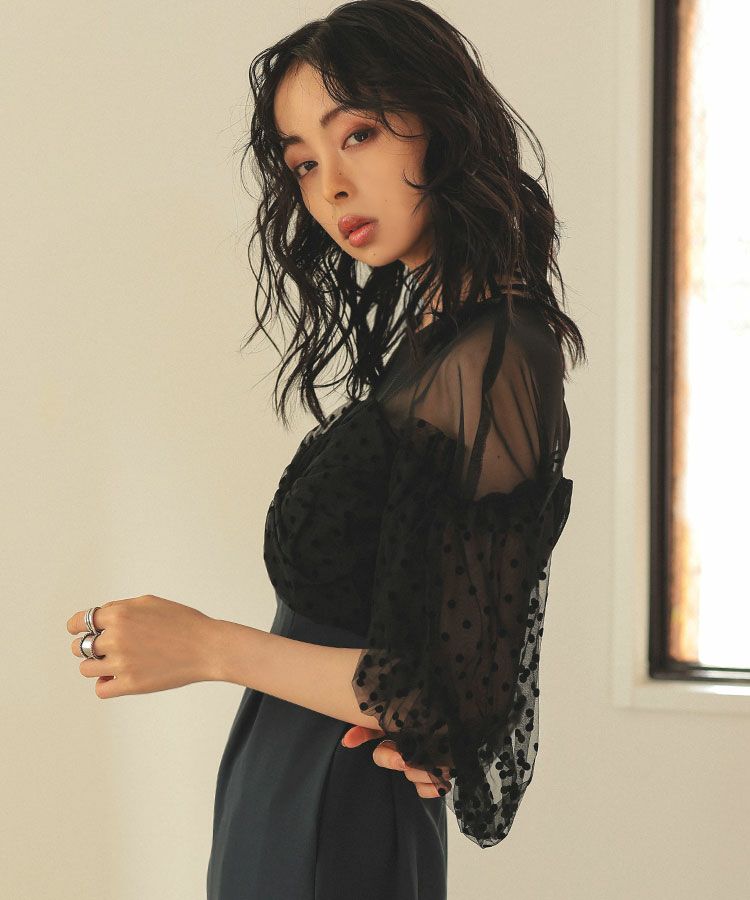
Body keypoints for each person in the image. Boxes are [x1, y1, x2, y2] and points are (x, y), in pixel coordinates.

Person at [66, 2, 586, 897]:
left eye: (359, 135)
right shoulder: (435, 349)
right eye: (305, 162)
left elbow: (454, 695)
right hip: (290, 786)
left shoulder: (497, 355)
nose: (332, 186)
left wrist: (207, 647)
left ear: (443, 125)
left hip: (333, 815)